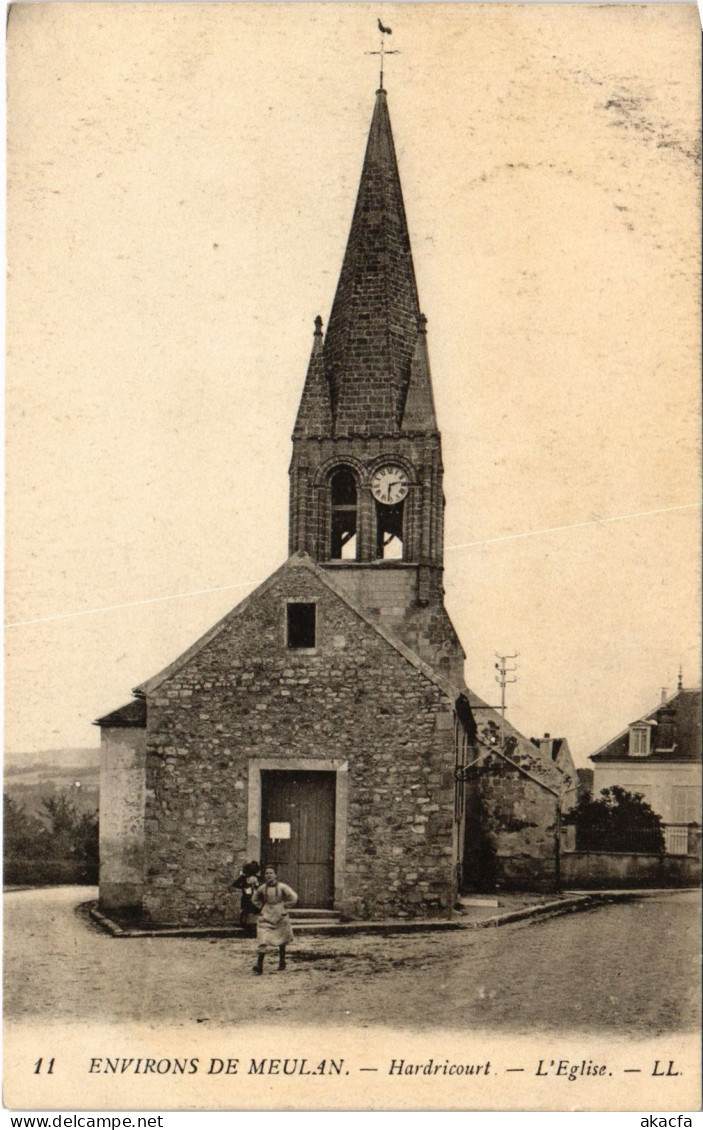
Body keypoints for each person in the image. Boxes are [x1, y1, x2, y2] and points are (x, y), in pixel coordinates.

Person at [250, 865, 298, 974]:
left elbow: (293, 897)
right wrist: (261, 906)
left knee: (282, 938)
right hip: (266, 914)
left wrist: (285, 905)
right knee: (262, 938)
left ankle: (282, 961)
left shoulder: (282, 887)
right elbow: (254, 898)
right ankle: (259, 965)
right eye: (266, 873)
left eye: (271, 873)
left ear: (275, 875)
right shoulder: (262, 888)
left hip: (280, 914)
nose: (268, 875)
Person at [231, 860, 261, 935]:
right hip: (247, 897)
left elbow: (261, 886)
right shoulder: (244, 878)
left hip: (253, 897)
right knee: (247, 910)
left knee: (253, 911)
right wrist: (243, 887)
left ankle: (252, 927)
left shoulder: (257, 878)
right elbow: (235, 884)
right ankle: (247, 927)